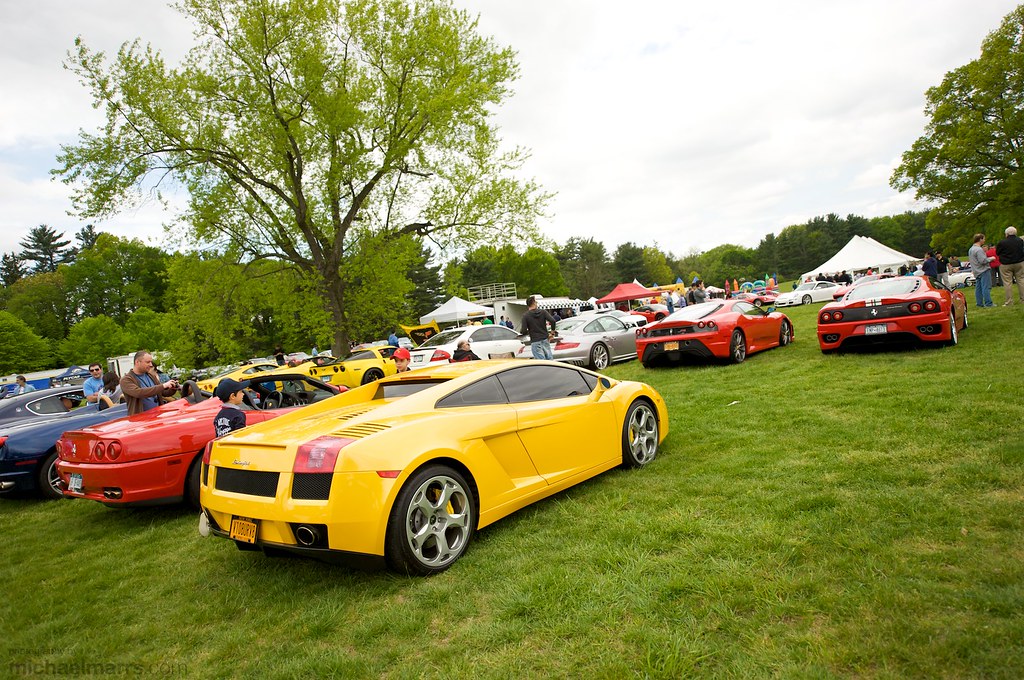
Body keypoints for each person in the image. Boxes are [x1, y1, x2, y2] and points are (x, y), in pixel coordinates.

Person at [120, 350, 179, 415]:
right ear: (137, 362)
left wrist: (173, 388)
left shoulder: (151, 376)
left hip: (158, 416)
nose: (151, 365)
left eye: (151, 362)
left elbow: (163, 393)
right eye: (148, 362)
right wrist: (163, 386)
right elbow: (139, 393)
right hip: (140, 419)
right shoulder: (126, 380)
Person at [519, 295, 558, 360]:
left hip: (535, 341)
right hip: (545, 339)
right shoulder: (543, 312)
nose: (537, 303)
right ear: (534, 303)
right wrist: (552, 332)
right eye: (536, 302)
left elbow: (523, 331)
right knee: (549, 360)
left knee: (541, 362)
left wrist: (528, 332)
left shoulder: (525, 316)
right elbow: (552, 321)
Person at [995, 225, 1024, 305]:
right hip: (1019, 263)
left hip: (1006, 264)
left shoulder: (1002, 242)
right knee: (1021, 281)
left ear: (1006, 234)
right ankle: (1023, 299)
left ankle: (1009, 301)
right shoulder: (1020, 241)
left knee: (1007, 283)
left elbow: (998, 252)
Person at [968, 233, 996, 308]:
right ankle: (988, 303)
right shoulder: (979, 249)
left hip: (976, 271)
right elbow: (983, 261)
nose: (984, 240)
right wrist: (991, 258)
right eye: (983, 239)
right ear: (980, 239)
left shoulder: (971, 249)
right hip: (983, 270)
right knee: (986, 287)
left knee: (978, 288)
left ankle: (979, 303)